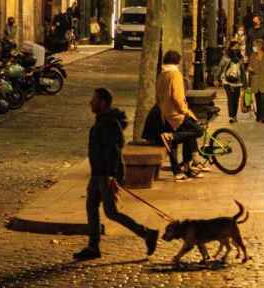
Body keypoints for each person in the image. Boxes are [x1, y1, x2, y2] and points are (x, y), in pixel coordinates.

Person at [73, 88, 159, 261]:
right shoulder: (103, 121)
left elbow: (113, 152)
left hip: (105, 175)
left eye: (94, 99)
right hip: (97, 174)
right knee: (92, 208)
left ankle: (147, 234)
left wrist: (112, 176)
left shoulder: (109, 123)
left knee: (111, 212)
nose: (91, 102)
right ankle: (93, 246)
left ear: (103, 103)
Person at [157, 50, 205, 180]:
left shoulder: (162, 75)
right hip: (176, 115)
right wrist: (185, 111)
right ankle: (172, 138)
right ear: (177, 61)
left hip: (165, 114)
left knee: (186, 137)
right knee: (198, 131)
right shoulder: (175, 75)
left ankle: (181, 170)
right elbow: (177, 97)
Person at [216, 44, 247, 123]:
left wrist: (245, 83)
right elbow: (220, 68)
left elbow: (243, 71)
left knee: (236, 99)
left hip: (238, 82)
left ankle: (234, 115)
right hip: (227, 82)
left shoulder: (240, 58)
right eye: (234, 46)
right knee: (230, 98)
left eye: (237, 47)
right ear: (230, 47)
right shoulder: (226, 58)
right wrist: (216, 78)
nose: (236, 48)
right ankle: (231, 116)